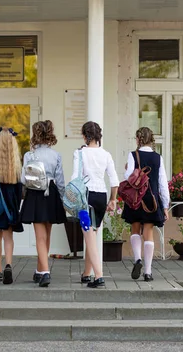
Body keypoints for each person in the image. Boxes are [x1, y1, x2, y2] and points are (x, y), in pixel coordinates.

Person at [72, 121, 120, 289]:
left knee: (89, 237)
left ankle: (99, 276)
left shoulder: (79, 154)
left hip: (85, 197)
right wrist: (112, 200)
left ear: (85, 136)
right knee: (91, 235)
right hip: (101, 196)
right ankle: (86, 273)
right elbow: (114, 181)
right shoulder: (106, 154)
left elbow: (74, 178)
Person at [20, 120, 66, 287]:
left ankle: (45, 272)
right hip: (51, 192)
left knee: (40, 236)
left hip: (35, 193)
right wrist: (63, 198)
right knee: (47, 234)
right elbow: (60, 181)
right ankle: (40, 270)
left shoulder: (29, 155)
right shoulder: (56, 155)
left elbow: (23, 179)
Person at [122, 127, 170, 282]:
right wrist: (165, 205)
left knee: (135, 228)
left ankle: (137, 260)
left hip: (136, 197)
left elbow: (129, 176)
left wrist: (126, 169)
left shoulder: (133, 155)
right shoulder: (158, 158)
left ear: (138, 139)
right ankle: (148, 272)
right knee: (148, 232)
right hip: (152, 199)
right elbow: (163, 182)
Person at [0, 128, 24, 285]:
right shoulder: (16, 163)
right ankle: (9, 264)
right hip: (11, 204)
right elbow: (20, 189)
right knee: (9, 237)